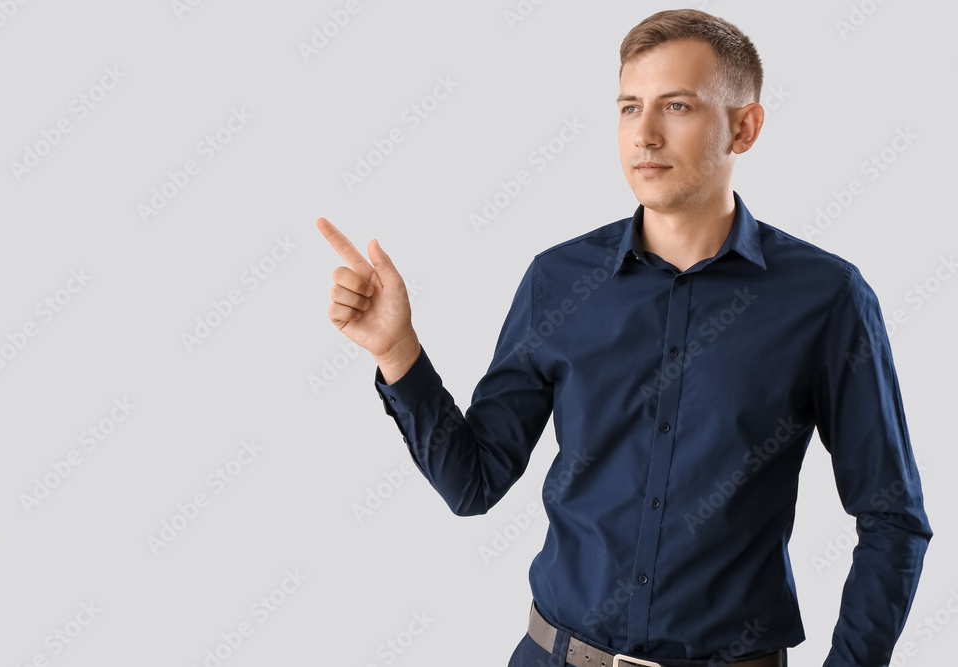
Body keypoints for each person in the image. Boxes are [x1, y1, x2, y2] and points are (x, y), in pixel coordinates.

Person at [317, 9, 931, 667]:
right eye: (629, 107)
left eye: (677, 106)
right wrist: (396, 350)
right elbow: (475, 482)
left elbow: (892, 517)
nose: (646, 134)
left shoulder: (825, 297)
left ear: (744, 127)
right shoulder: (559, 280)